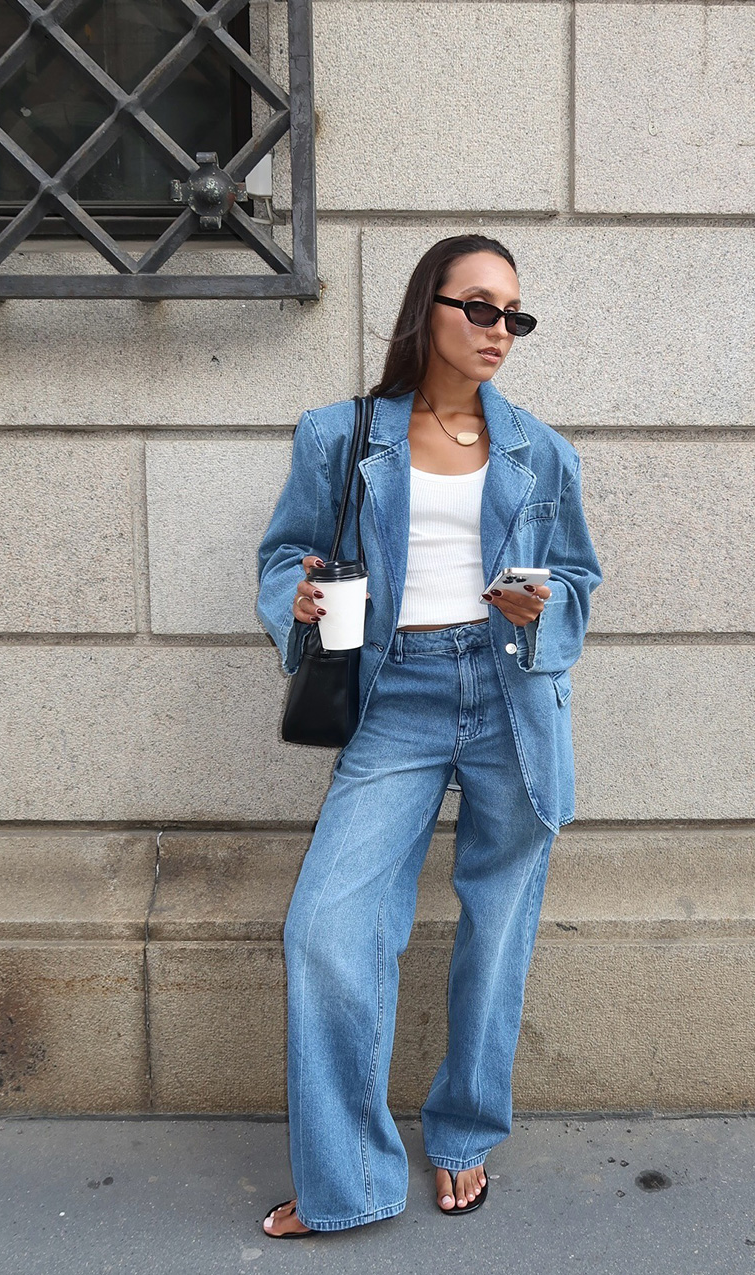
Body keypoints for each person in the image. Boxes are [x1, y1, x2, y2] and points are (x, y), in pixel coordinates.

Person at [255, 234, 603, 1236]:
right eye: (480, 308)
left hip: (509, 695)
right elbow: (285, 551)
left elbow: (579, 577)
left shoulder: (541, 450)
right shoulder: (342, 433)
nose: (500, 332)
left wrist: (543, 599)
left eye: (514, 317)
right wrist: (301, 598)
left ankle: (462, 1135)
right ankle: (349, 1182)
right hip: (393, 692)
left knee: (497, 928)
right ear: (429, 309)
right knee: (326, 926)